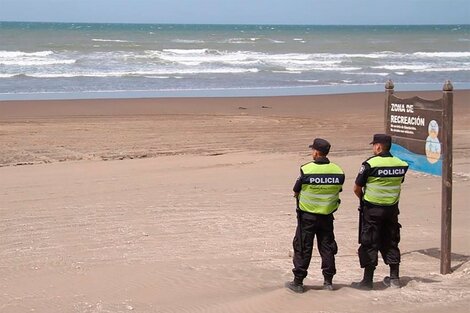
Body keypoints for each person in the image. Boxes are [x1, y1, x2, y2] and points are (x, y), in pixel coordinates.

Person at [286, 138, 345, 293]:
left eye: (313, 150)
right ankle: (328, 282)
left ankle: (298, 282)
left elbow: (296, 190)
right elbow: (337, 190)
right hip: (327, 216)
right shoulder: (338, 171)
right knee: (327, 247)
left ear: (316, 152)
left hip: (307, 216)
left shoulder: (307, 169)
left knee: (303, 247)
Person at [352, 134, 408, 290]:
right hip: (391, 209)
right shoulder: (401, 164)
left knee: (370, 242)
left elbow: (357, 188)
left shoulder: (370, 164)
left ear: (378, 146)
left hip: (372, 209)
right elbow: (398, 182)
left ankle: (367, 281)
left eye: (374, 145)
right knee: (391, 240)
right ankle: (394, 278)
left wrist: (364, 200)